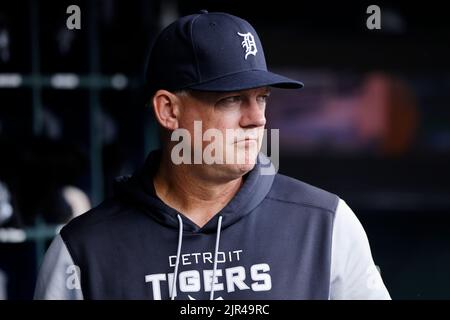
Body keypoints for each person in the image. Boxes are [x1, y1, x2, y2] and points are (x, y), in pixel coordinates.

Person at [34, 10, 390, 300]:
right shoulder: (83, 251)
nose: (257, 118)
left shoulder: (326, 225)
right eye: (231, 99)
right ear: (168, 111)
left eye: (262, 97)